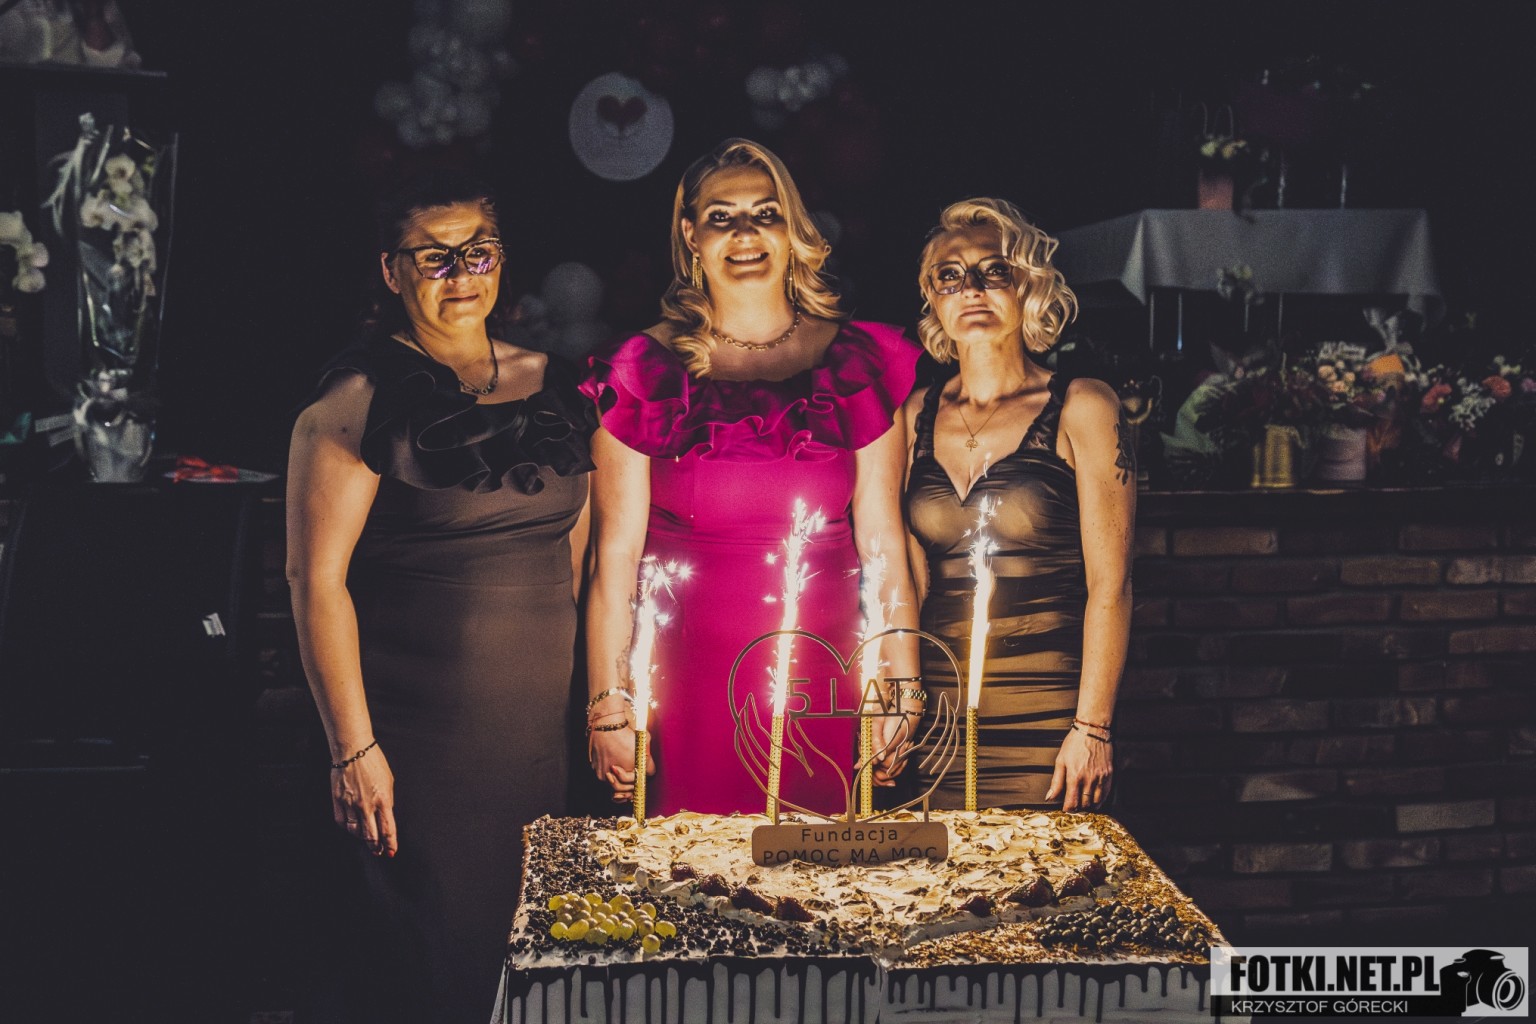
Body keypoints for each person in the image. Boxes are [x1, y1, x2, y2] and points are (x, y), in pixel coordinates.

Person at [286, 171, 593, 1023]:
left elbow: (575, 559)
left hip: (535, 738)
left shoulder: (560, 385)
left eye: (477, 252)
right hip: (414, 743)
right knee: (430, 968)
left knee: (529, 963)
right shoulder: (356, 401)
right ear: (392, 271)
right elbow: (315, 581)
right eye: (435, 257)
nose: (461, 274)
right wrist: (352, 748)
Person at [581, 138, 923, 818]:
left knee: (820, 873)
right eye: (722, 217)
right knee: (688, 874)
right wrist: (608, 706)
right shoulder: (642, 369)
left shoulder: (857, 360)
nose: (745, 233)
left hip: (825, 684)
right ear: (691, 235)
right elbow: (612, 558)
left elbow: (884, 546)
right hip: (682, 684)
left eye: (765, 213)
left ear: (792, 229)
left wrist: (899, 689)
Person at [902, 198, 1134, 811]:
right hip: (939, 710)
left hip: (1050, 713)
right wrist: (901, 697)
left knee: (1043, 870)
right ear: (932, 298)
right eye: (949, 275)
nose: (970, 289)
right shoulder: (913, 416)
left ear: (1028, 285)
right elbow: (909, 580)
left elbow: (1111, 584)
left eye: (994, 271)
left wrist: (1093, 728)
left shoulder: (1083, 405)